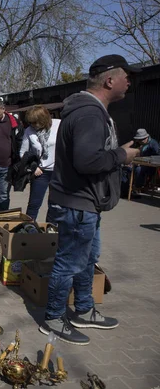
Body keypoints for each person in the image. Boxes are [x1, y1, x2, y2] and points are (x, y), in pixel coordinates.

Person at [40, 54, 141, 345]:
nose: (129, 82)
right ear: (110, 80)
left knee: (87, 260)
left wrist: (118, 152)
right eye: (126, 76)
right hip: (76, 204)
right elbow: (87, 161)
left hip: (83, 203)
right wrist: (123, 155)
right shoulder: (89, 113)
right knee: (69, 263)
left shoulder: (90, 111)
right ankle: (54, 318)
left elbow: (88, 157)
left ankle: (84, 309)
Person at [19, 106, 60, 220]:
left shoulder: (59, 125)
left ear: (43, 119)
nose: (33, 125)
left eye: (35, 122)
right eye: (31, 123)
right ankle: (28, 229)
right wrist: (33, 167)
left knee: (55, 205)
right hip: (40, 172)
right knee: (34, 204)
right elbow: (23, 152)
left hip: (58, 172)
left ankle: (51, 229)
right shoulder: (29, 131)